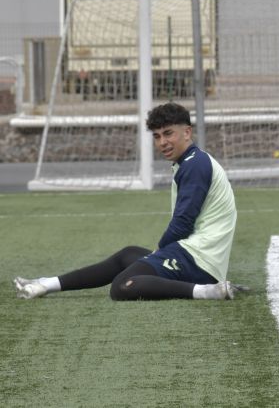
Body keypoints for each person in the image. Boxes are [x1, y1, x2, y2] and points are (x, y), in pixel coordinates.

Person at [14, 102, 243, 301]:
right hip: (195, 255)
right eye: (157, 136)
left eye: (168, 133)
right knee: (128, 254)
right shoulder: (192, 161)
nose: (162, 142)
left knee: (122, 286)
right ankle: (46, 283)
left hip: (199, 261)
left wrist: (159, 251)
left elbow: (182, 224)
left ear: (187, 132)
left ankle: (206, 291)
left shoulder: (194, 165)